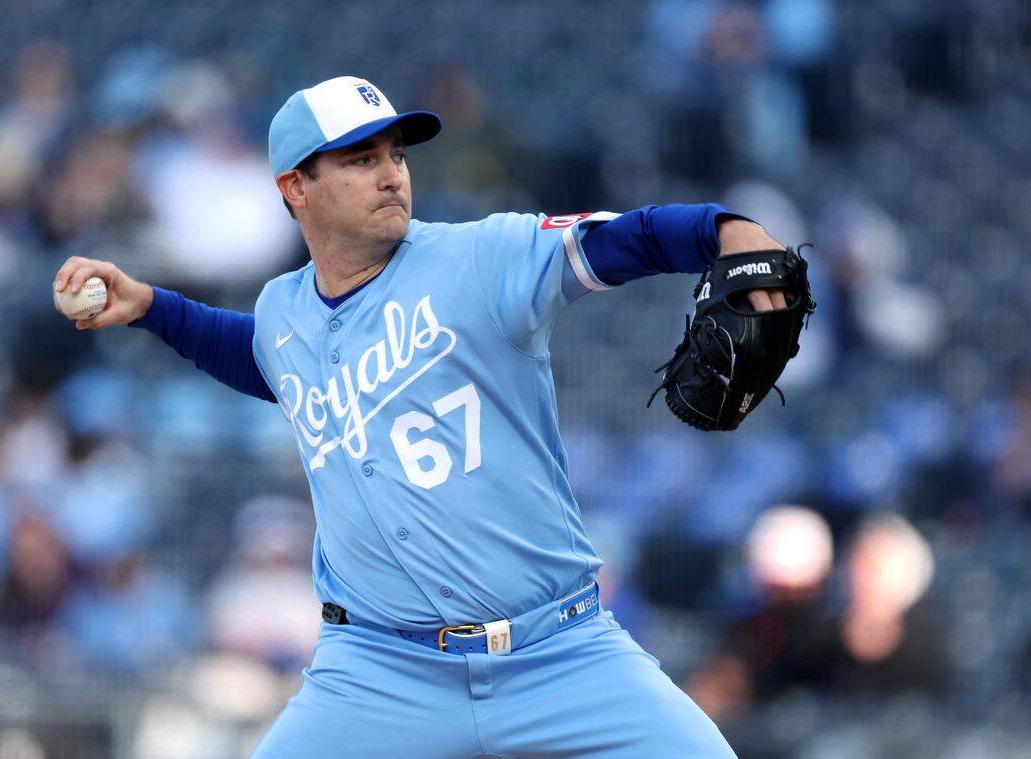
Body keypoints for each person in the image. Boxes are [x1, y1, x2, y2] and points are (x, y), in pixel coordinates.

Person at [54, 75, 792, 758]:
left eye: (396, 154)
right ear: (294, 187)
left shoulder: (482, 257)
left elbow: (619, 238)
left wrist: (723, 228)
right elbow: (261, 356)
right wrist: (151, 308)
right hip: (378, 671)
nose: (390, 172)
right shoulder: (284, 310)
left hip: (559, 653)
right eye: (359, 157)